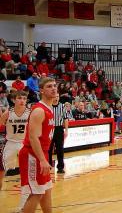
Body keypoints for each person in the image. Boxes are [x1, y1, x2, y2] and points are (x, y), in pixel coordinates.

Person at [18, 77, 57, 213]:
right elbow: (33, 137)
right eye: (49, 86)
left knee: (46, 189)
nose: (53, 88)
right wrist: (42, 160)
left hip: (42, 154)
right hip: (32, 155)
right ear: (41, 90)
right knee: (37, 192)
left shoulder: (49, 109)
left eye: (54, 86)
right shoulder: (39, 110)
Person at [0, 91, 30, 209]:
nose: (22, 100)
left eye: (24, 98)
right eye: (19, 98)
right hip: (10, 144)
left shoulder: (30, 113)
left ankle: (22, 206)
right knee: (1, 172)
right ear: (14, 100)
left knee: (26, 174)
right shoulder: (8, 113)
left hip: (24, 144)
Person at [48, 93, 68, 174]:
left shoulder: (62, 106)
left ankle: (60, 167)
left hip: (59, 129)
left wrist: (66, 130)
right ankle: (48, 166)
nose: (56, 98)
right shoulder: (48, 106)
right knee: (49, 149)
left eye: (57, 96)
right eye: (55, 96)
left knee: (60, 149)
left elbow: (66, 119)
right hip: (50, 128)